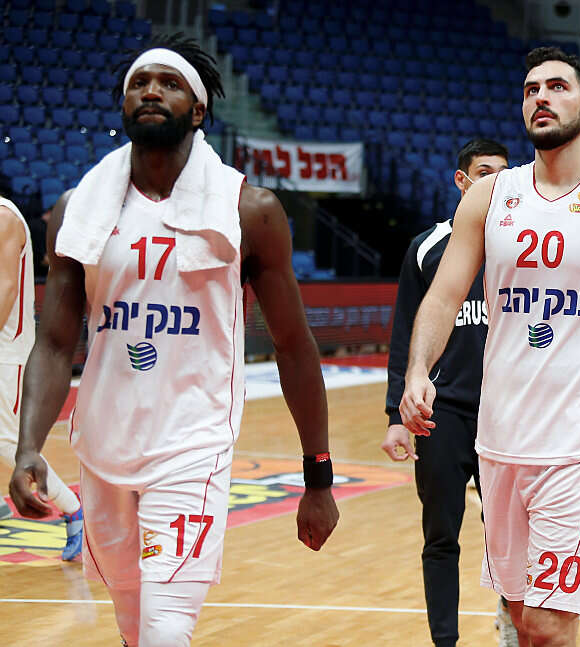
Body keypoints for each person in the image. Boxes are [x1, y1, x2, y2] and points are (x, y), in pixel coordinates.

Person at [7, 35, 339, 647]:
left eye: (169, 83)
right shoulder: (77, 208)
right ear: (123, 104)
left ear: (199, 109)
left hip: (193, 444)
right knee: (134, 627)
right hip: (103, 445)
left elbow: (293, 346)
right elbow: (53, 344)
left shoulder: (250, 210)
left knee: (164, 630)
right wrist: (29, 447)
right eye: (140, 83)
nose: (152, 92)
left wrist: (318, 477)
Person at [399, 46, 580, 647]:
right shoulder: (488, 197)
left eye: (557, 87)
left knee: (549, 626)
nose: (541, 97)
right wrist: (418, 369)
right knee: (518, 615)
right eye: (531, 89)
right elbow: (444, 295)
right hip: (499, 438)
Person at [381, 138, 519, 647]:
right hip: (442, 416)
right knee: (440, 536)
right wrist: (395, 415)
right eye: (484, 172)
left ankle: (511, 621)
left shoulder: (522, 246)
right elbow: (405, 334)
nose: (495, 181)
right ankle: (444, 641)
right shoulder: (428, 247)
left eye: (503, 173)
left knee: (509, 536)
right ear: (461, 181)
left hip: (507, 415)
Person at [0, 193, 84, 560]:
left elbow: (4, 288)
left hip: (7, 352)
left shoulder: (3, 217)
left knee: (9, 443)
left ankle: (74, 510)